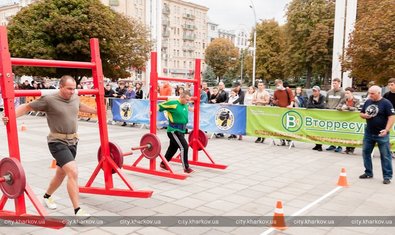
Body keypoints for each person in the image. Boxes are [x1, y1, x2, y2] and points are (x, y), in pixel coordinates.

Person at [2, 75, 97, 217]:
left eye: (74, 88)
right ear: (61, 87)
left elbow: (79, 106)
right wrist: (10, 116)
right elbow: (27, 107)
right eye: (69, 89)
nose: (73, 91)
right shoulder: (49, 100)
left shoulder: (75, 97)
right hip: (57, 142)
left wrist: (97, 111)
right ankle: (78, 210)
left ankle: (47, 196)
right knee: (73, 172)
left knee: (60, 174)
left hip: (73, 142)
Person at [360, 85, 394, 184]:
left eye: (372, 93)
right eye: (369, 93)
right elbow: (361, 113)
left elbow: (391, 117)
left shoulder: (386, 103)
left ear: (379, 93)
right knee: (366, 153)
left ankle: (387, 176)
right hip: (369, 132)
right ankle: (368, 172)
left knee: (385, 155)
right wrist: (364, 116)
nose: (370, 95)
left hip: (381, 133)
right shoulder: (368, 101)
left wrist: (387, 130)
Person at [158, 91, 194, 173]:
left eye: (189, 100)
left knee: (173, 148)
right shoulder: (173, 103)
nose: (188, 101)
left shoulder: (185, 104)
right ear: (181, 97)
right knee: (184, 147)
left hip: (182, 130)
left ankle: (163, 164)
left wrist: (192, 109)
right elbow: (159, 106)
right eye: (187, 99)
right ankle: (186, 168)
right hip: (174, 130)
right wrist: (151, 112)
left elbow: (187, 106)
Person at [336, 87, 360, 154]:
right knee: (346, 133)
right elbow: (338, 107)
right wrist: (341, 108)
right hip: (345, 120)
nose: (346, 94)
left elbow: (356, 108)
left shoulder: (356, 100)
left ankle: (352, 149)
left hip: (354, 119)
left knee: (353, 134)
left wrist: (347, 107)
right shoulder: (343, 100)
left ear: (351, 93)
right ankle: (347, 148)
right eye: (345, 93)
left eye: (347, 93)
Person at [326, 78, 345, 152]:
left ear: (339, 83)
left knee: (338, 130)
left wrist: (339, 107)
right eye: (333, 83)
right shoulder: (329, 92)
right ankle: (332, 144)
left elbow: (343, 102)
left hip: (338, 114)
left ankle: (339, 146)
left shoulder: (342, 92)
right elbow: (326, 101)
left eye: (335, 83)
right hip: (330, 113)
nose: (334, 85)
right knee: (331, 130)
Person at [273, 79, 294, 146]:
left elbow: (292, 98)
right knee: (280, 126)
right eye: (276, 85)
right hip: (280, 111)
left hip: (287, 111)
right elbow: (274, 100)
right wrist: (275, 102)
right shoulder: (276, 92)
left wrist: (291, 105)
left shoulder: (288, 90)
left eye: (278, 84)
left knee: (287, 126)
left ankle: (289, 140)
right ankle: (282, 140)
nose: (277, 86)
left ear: (281, 83)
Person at [306, 86, 326, 151]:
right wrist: (316, 106)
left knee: (320, 131)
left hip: (321, 116)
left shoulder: (322, 97)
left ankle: (320, 145)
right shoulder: (311, 97)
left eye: (315, 91)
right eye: (313, 91)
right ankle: (316, 145)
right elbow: (308, 105)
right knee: (314, 131)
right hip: (313, 116)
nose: (314, 92)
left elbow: (322, 106)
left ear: (319, 91)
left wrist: (314, 105)